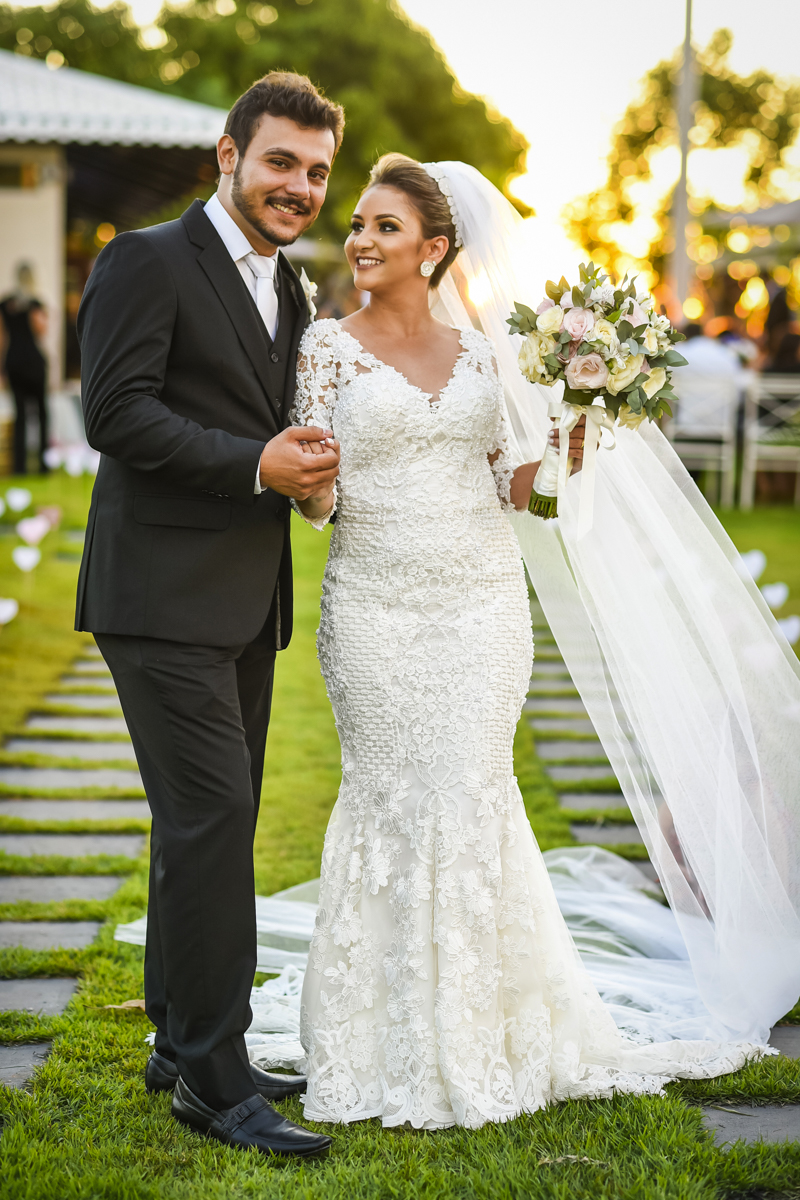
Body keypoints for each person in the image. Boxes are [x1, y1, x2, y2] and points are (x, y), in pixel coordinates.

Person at [290, 156, 800, 1129]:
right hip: (373, 605)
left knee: (472, 789)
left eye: (383, 226)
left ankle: (485, 1026)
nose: (359, 241)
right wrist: (307, 489)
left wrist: (572, 444)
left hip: (481, 605)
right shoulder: (326, 346)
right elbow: (317, 492)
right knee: (387, 793)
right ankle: (373, 1033)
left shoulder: (485, 356)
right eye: (357, 225)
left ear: (434, 248)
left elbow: (517, 487)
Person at [75, 72, 344, 1159]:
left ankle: (175, 1037)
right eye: (280, 161)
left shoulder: (293, 288)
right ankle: (214, 1077)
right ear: (227, 156)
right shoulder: (144, 259)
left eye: (316, 171)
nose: (300, 187)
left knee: (198, 824)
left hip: (244, 596)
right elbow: (115, 412)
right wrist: (256, 464)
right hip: (158, 593)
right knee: (216, 820)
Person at [0, 262, 49, 474]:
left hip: (14, 362)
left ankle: (20, 467)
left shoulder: (6, 304)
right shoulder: (33, 303)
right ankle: (42, 465)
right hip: (32, 363)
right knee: (40, 414)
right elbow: (41, 330)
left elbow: (2, 339)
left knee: (21, 415)